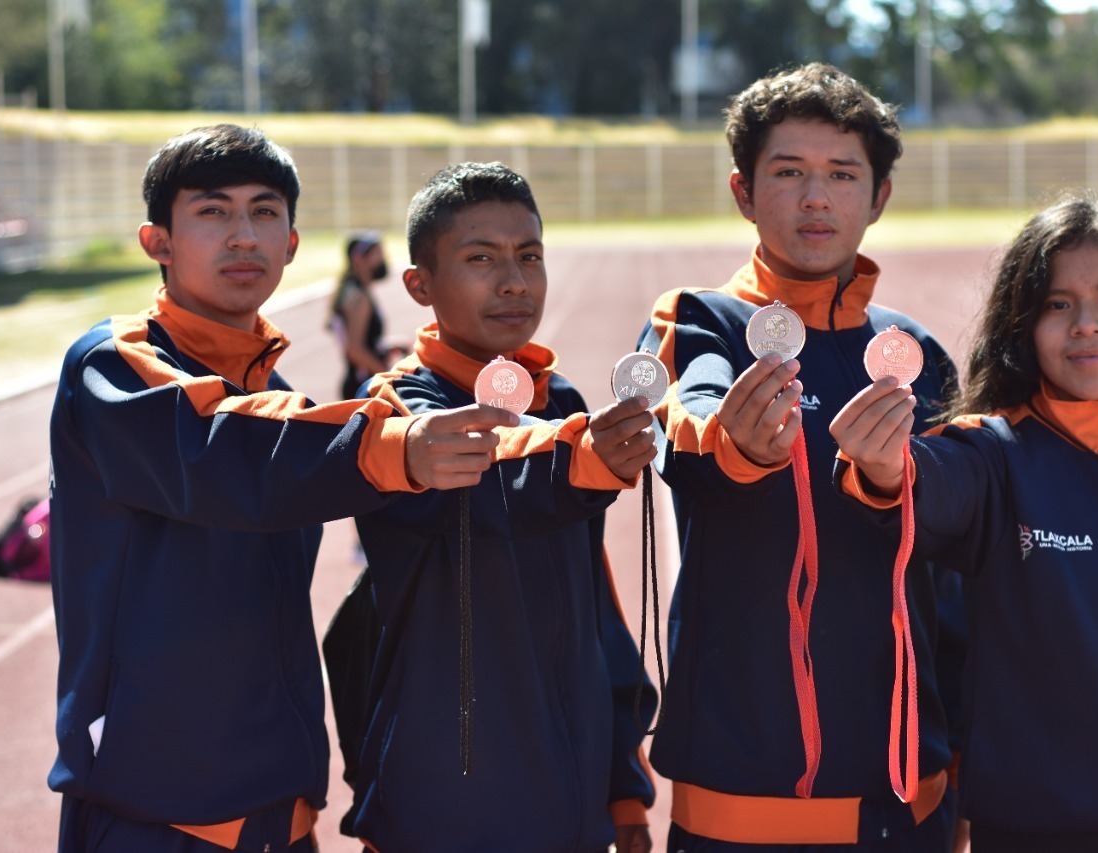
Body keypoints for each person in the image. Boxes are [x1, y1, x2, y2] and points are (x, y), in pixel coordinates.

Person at [47, 125, 515, 853]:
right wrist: (394, 444)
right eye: (212, 212)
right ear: (157, 242)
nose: (243, 236)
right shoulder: (113, 364)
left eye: (265, 212)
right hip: (154, 810)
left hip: (280, 809)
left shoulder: (286, 397)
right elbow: (221, 446)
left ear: (292, 244)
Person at [831, 196, 1098, 852]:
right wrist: (882, 467)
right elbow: (922, 481)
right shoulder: (997, 456)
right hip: (1038, 830)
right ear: (1023, 326)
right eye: (1057, 305)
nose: (1086, 324)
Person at [636, 63, 959, 849]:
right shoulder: (697, 321)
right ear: (744, 191)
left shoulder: (914, 352)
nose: (816, 197)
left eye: (842, 174)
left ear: (878, 197)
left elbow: (958, 565)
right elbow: (691, 421)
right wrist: (739, 444)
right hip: (741, 800)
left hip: (909, 797)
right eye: (788, 173)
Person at [338, 161, 659, 852]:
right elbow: (491, 492)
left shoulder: (565, 404)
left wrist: (623, 782)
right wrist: (583, 462)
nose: (513, 280)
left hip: (571, 798)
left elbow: (593, 600)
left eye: (529, 256)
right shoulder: (396, 410)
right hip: (445, 804)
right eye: (480, 258)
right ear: (419, 285)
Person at [329, 231, 404, 400]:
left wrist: (385, 347)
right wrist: (385, 376)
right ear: (359, 259)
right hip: (363, 384)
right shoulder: (359, 298)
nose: (383, 259)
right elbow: (355, 350)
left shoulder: (355, 291)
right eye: (377, 254)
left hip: (362, 381)